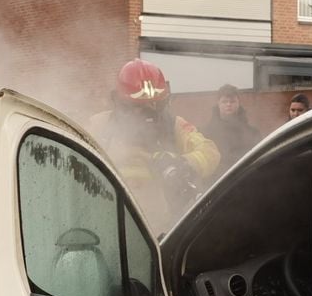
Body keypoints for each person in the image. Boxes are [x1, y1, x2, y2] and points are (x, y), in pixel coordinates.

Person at [89, 59, 220, 231]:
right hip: (108, 225)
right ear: (121, 103)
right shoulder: (99, 125)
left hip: (160, 232)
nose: (149, 113)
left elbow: (209, 151)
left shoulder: (174, 126)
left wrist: (181, 163)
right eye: (139, 107)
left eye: (155, 105)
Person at [203, 84, 259, 172]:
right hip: (217, 181)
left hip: (244, 177)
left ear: (238, 103)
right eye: (224, 101)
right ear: (218, 103)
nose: (228, 104)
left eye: (232, 101)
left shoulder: (253, 133)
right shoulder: (207, 133)